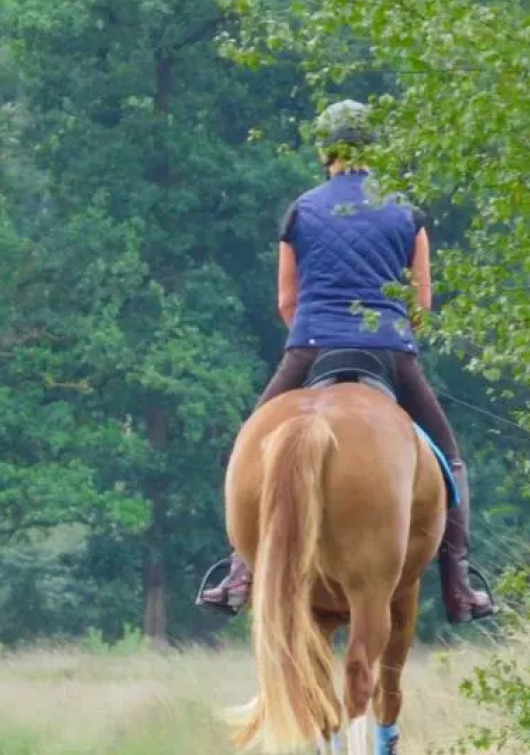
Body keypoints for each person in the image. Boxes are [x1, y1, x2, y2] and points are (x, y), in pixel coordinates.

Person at [198, 99, 496, 624]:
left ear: (324, 150)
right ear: (373, 149)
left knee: (247, 445)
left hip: (311, 345)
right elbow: (420, 303)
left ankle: (239, 568)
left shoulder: (301, 211)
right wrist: (395, 332)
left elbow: (286, 302)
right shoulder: (406, 213)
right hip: (390, 350)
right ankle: (459, 580)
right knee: (448, 459)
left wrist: (317, 335)